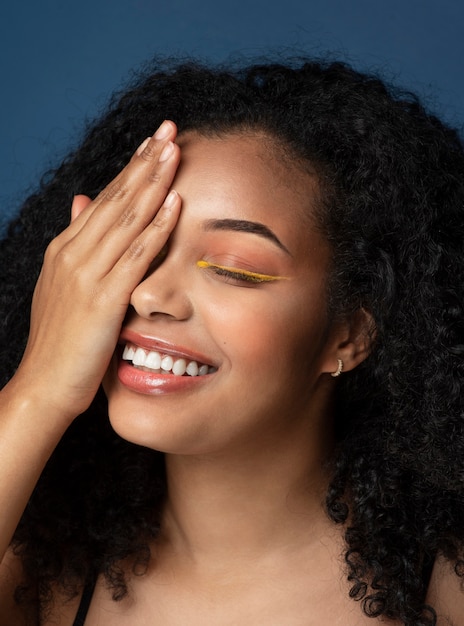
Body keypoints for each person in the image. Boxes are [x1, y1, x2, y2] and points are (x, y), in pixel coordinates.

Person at [0, 57, 463, 626]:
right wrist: (39, 388)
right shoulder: (42, 580)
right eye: (132, 250)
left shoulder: (445, 589)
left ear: (350, 335)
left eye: (235, 269)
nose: (148, 295)